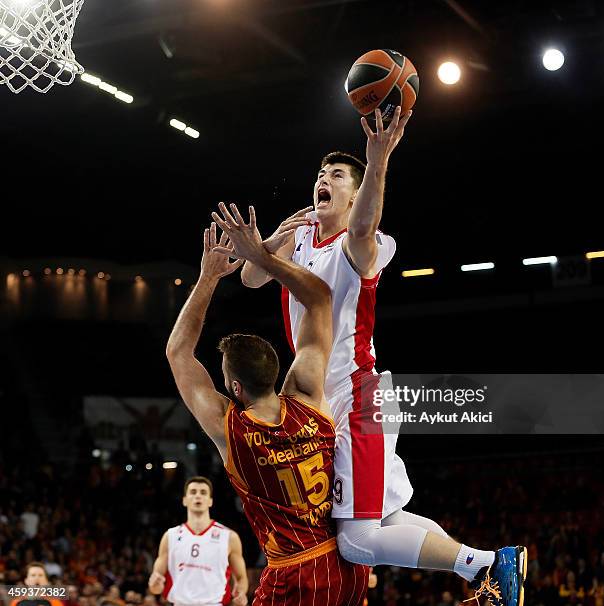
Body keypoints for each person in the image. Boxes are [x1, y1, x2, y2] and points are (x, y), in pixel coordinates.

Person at [237, 107, 527, 606]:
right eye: (319, 175)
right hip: (325, 406)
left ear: (353, 195)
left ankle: (486, 563)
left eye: (335, 177)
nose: (321, 181)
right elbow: (249, 278)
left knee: (356, 542)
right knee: (383, 521)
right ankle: (484, 565)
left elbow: (365, 224)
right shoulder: (301, 235)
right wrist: (266, 246)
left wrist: (377, 161)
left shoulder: (366, 246)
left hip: (360, 401)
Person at [166, 214, 369, 605]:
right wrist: (262, 255)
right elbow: (320, 299)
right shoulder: (308, 395)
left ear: (233, 387)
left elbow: (177, 352)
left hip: (297, 573)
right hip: (348, 563)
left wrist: (209, 275)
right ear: (276, 368)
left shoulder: (233, 432)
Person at [148, 476, 248, 606]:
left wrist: (241, 592)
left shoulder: (229, 537)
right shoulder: (170, 536)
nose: (198, 496)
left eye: (203, 492)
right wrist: (155, 585)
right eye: (193, 492)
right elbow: (155, 588)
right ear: (184, 500)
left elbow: (241, 577)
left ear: (210, 501)